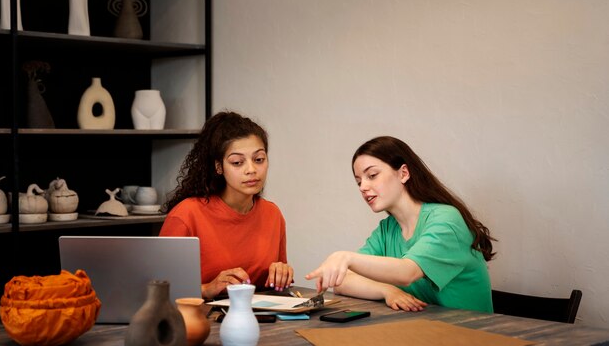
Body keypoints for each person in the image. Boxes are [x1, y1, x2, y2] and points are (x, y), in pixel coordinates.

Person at [305, 136, 496, 313]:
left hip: (471, 335)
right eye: (358, 181)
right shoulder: (387, 229)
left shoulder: (446, 219)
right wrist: (387, 291)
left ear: (403, 173)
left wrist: (345, 257)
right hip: (425, 331)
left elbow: (408, 271)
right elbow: (341, 281)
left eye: (372, 175)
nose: (363, 187)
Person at [160, 111, 293, 300]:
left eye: (259, 159)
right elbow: (158, 290)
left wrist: (281, 275)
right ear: (219, 167)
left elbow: (274, 289)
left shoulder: (272, 214)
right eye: (237, 162)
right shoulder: (186, 215)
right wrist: (206, 288)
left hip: (261, 321)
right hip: (201, 321)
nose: (251, 170)